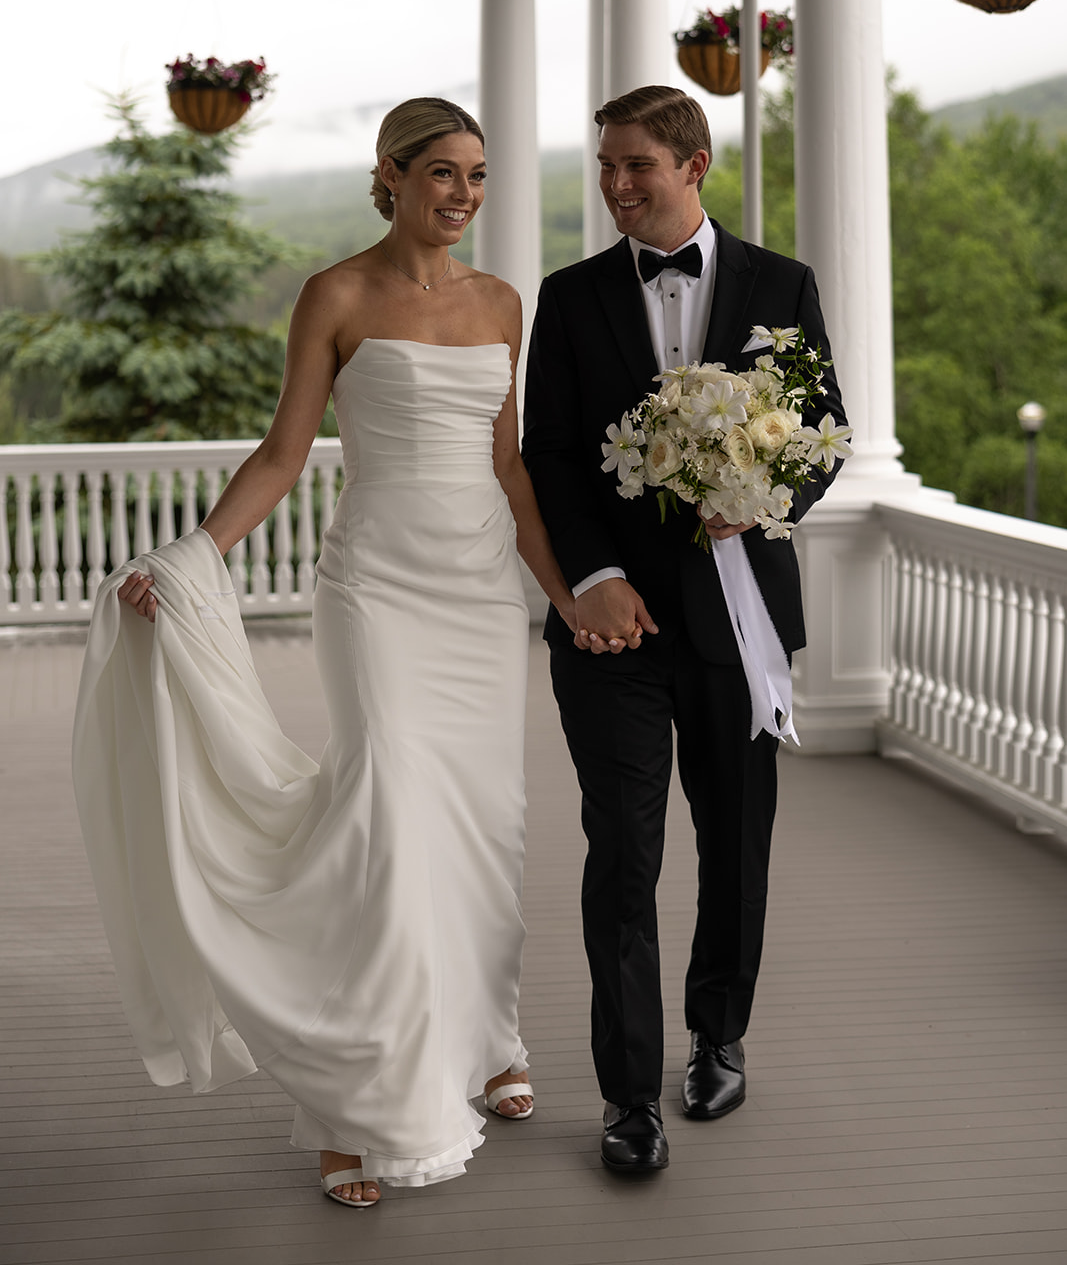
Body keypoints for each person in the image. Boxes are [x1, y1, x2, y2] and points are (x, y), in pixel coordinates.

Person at [77, 97, 576, 1208]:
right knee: (390, 825)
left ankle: (491, 1036)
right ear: (389, 177)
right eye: (441, 173)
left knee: (484, 830)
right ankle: (360, 1107)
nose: (462, 195)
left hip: (479, 598)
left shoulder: (503, 304)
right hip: (378, 594)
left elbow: (510, 471)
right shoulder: (337, 294)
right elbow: (282, 451)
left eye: (479, 176)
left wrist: (564, 593)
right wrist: (193, 554)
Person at [522, 85, 849, 1173]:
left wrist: (756, 499)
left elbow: (818, 439)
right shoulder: (566, 299)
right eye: (604, 166)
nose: (616, 185)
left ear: (692, 164)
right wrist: (595, 577)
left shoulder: (779, 284)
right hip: (611, 628)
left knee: (732, 846)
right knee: (621, 852)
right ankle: (627, 1096)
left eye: (635, 166)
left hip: (735, 615)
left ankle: (718, 1035)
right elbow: (551, 457)